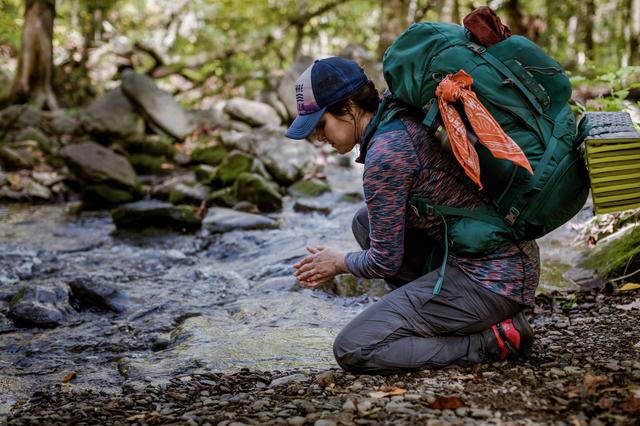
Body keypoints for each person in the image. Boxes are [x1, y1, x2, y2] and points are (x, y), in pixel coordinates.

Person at [285, 56, 538, 374]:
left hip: (493, 281)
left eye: (321, 125)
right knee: (364, 222)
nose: (318, 137)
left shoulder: (385, 155)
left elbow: (383, 262)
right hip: (507, 260)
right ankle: (447, 317)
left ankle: (493, 340)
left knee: (354, 348)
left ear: (349, 107)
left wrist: (339, 262)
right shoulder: (397, 112)